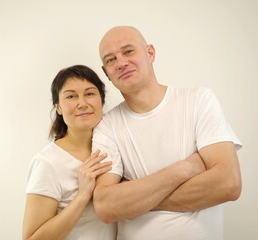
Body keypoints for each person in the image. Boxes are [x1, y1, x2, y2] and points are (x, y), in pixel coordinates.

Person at [92, 26, 242, 240]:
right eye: (110, 59)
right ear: (106, 72)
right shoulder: (106, 127)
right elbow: (107, 207)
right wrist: (185, 168)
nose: (121, 63)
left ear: (150, 53)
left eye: (128, 51)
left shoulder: (198, 100)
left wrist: (136, 200)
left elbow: (228, 184)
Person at [22, 65, 117, 240]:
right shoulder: (48, 162)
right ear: (58, 108)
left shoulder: (115, 148)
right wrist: (82, 196)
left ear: (102, 101)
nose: (82, 104)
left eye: (89, 94)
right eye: (71, 96)